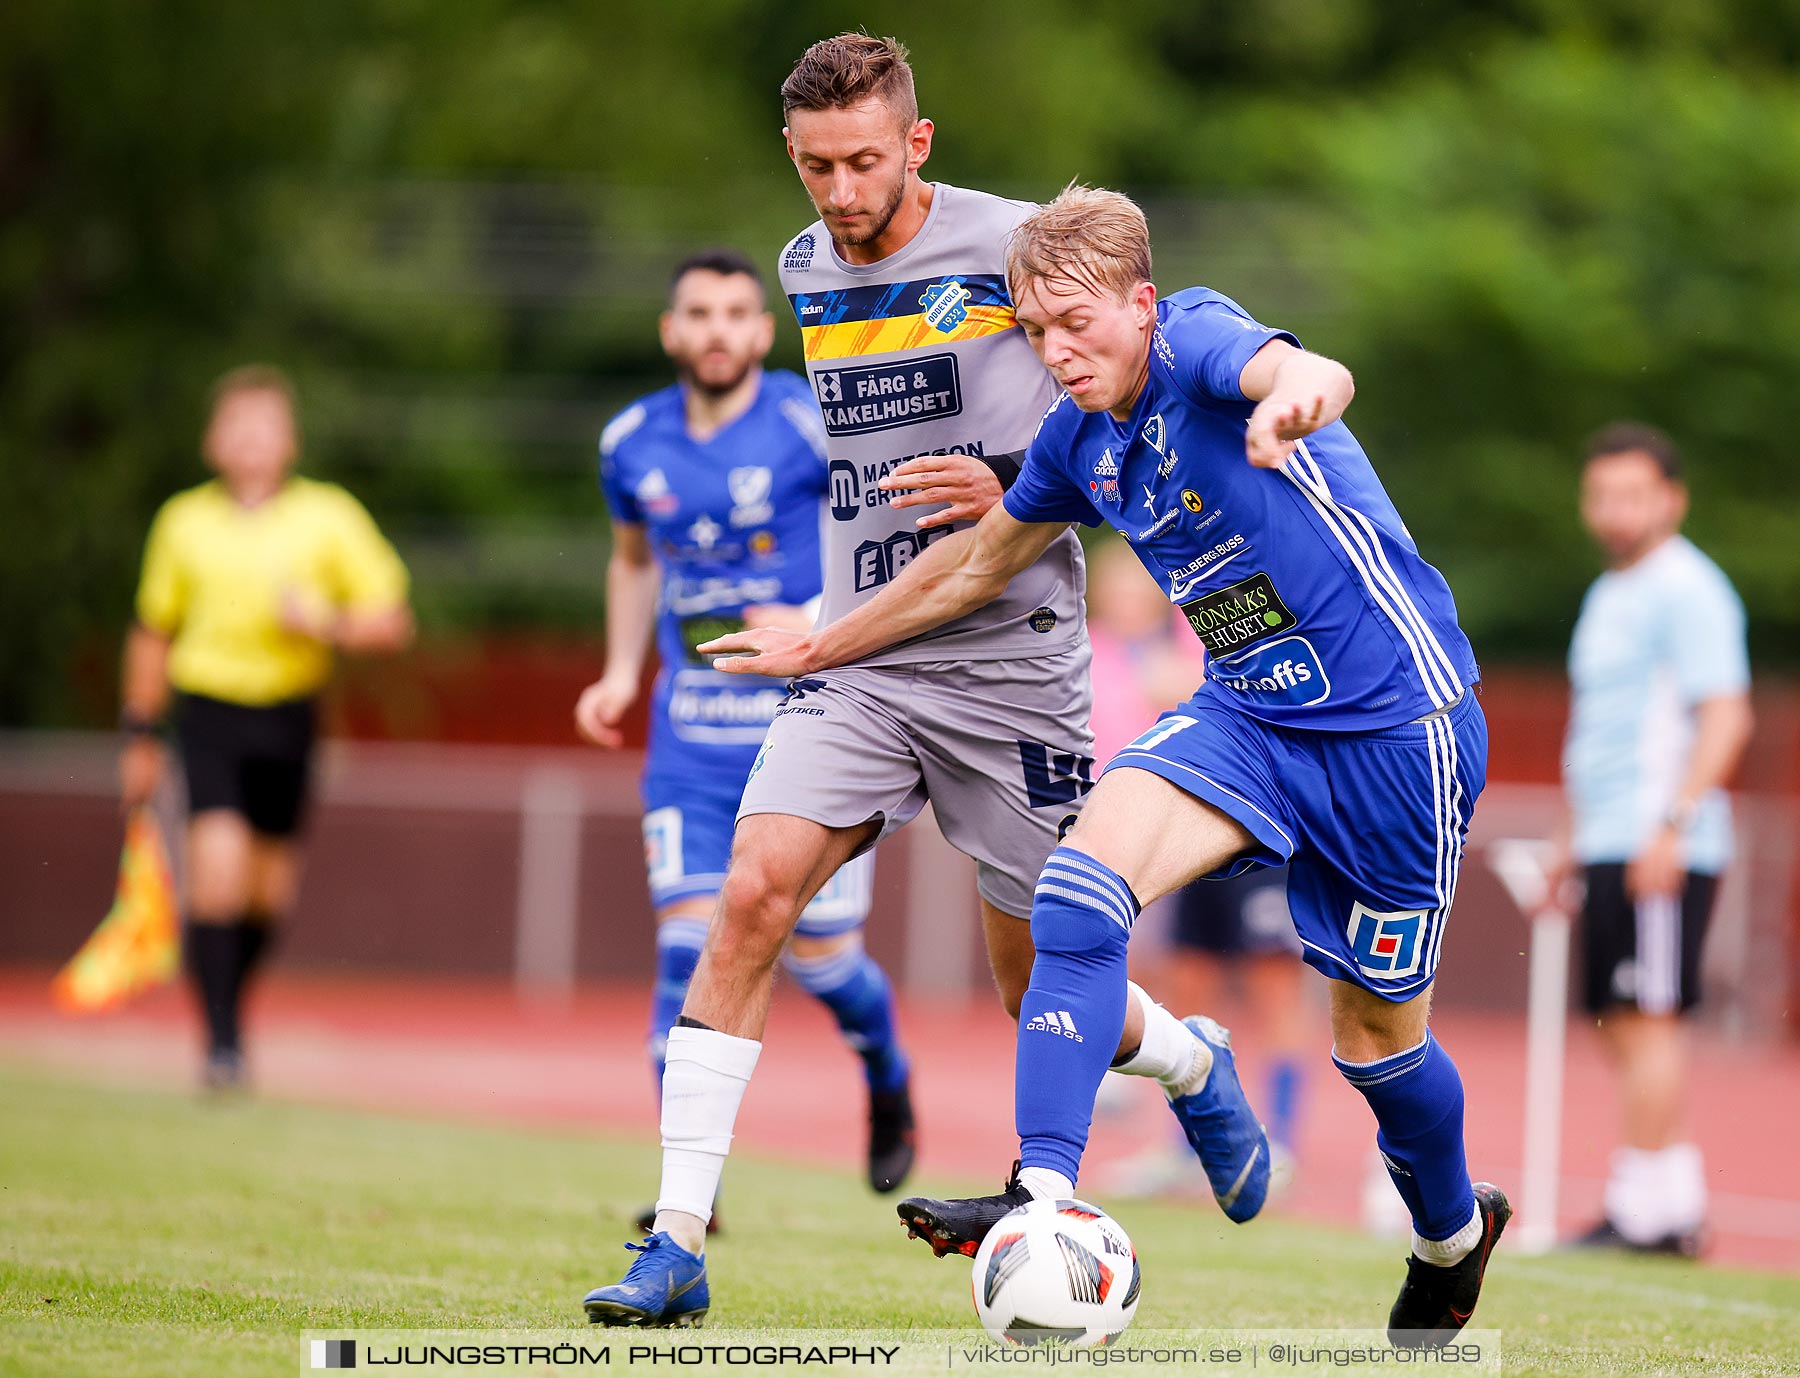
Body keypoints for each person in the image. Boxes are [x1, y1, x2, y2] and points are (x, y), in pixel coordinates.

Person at [704, 185, 1507, 1346]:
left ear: (1139, 303)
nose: (1057, 350)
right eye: (1033, 331)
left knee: (1376, 1046)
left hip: (1397, 728)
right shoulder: (1078, 440)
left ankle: (1447, 1236)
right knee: (1076, 885)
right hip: (1248, 716)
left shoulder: (1194, 339)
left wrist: (1295, 402)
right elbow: (975, 566)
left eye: (1076, 322)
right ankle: (1040, 1197)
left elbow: (1306, 369)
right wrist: (822, 642)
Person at [582, 38, 1263, 1330]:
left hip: (1014, 665)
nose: (838, 192)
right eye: (813, 166)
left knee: (1037, 983)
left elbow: (1128, 392)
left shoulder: (1015, 248)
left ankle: (1184, 1057)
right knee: (750, 898)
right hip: (867, 652)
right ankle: (675, 1239)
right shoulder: (799, 268)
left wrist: (1014, 483)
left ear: (920, 143)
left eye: (863, 161)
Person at [573, 248, 925, 1222]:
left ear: (764, 333)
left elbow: (888, 541)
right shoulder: (630, 441)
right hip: (689, 735)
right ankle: (693, 1186)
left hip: (810, 728)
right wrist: (616, 670)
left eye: (737, 312)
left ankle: (887, 1071)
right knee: (688, 949)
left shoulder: (809, 423)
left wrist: (810, 615)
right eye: (699, 312)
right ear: (671, 331)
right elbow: (633, 560)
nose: (718, 329)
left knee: (821, 962)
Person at [118, 365, 412, 1090]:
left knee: (265, 895)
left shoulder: (329, 517)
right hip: (209, 710)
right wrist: (140, 734)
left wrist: (329, 622)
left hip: (290, 717)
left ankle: (229, 1011)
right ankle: (221, 1045)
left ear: (290, 441)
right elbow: (152, 632)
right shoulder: (182, 521)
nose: (250, 442)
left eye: (265, 427)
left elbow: (392, 621)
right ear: (213, 442)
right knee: (214, 868)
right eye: (236, 427)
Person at [1547, 423, 1753, 1256]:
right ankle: (1670, 1198)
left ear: (1672, 499)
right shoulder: (1608, 594)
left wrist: (1673, 822)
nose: (1616, 512)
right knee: (1620, 1019)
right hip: (1607, 836)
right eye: (1602, 495)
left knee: (1650, 1017)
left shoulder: (1690, 589)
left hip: (1659, 842)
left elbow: (1725, 714)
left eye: (1633, 495)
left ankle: (1644, 1207)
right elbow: (1601, 733)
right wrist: (1570, 835)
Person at [1083, 541, 1310, 1200]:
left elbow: (1246, 699)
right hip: (1178, 835)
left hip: (1255, 825)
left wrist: (1178, 682)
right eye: (1114, 588)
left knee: (1274, 988)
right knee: (1187, 986)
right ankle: (1184, 1147)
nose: (1126, 599)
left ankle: (1284, 1141)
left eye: (1136, 586)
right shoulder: (1098, 651)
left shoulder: (1205, 627)